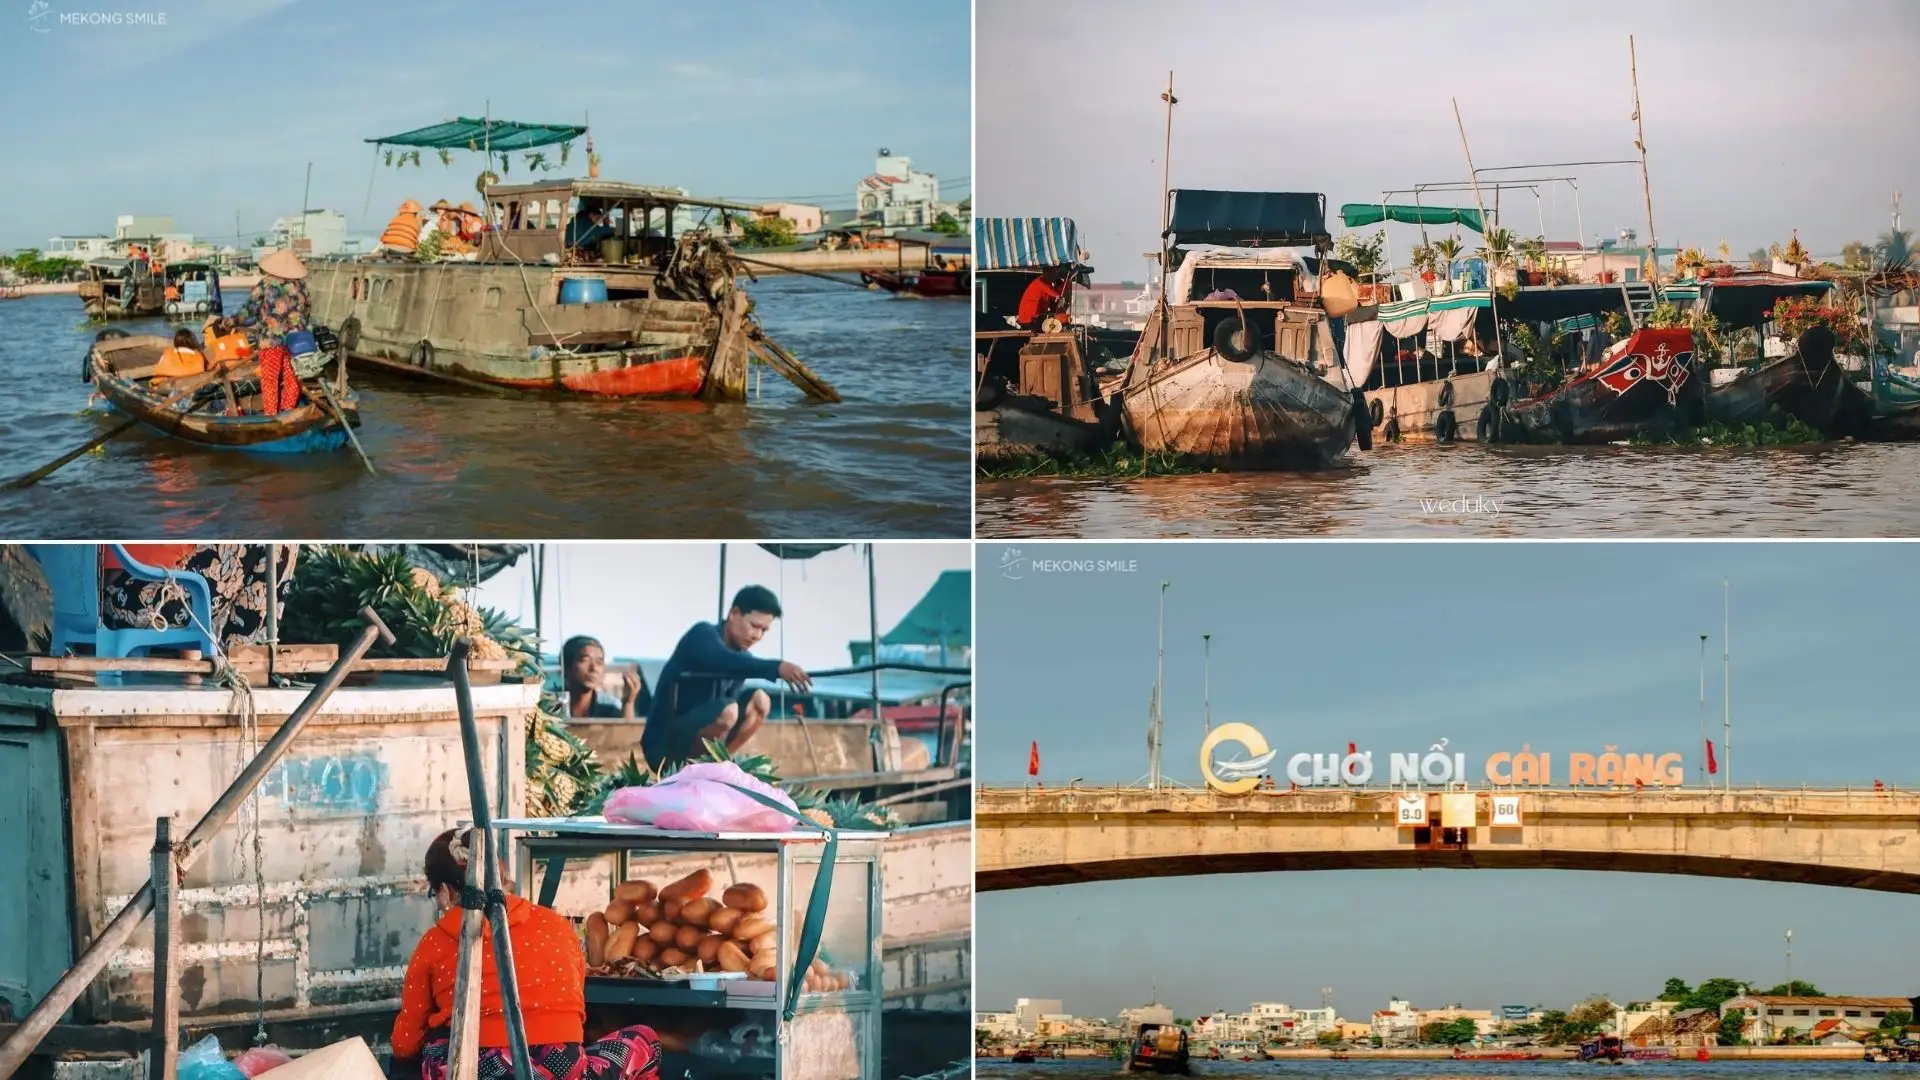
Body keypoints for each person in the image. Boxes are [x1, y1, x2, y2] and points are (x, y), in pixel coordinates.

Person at [390, 828, 662, 1080]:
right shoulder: (555, 925)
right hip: (560, 1067)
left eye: (434, 893)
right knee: (646, 1039)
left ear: (446, 891)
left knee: (428, 1051)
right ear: (502, 878)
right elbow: (575, 1007)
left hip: (471, 1071)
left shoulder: (435, 942)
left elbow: (405, 1043)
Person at [643, 585, 812, 772]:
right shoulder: (702, 635)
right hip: (664, 747)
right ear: (734, 613)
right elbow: (722, 660)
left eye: (764, 630)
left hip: (701, 739)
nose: (757, 636)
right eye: (754, 626)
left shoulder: (742, 657)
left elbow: (740, 664)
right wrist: (776, 667)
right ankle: (694, 771)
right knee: (729, 710)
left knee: (760, 701)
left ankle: (717, 766)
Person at [100, 544, 298, 648]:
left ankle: (241, 652)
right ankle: (244, 653)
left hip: (106, 601)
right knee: (280, 543)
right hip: (142, 601)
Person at [218, 248, 310, 415]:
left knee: (270, 380)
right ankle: (288, 411)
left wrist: (230, 322)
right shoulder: (301, 285)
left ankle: (272, 415)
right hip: (296, 341)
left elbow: (249, 311)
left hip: (271, 340)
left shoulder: (267, 283)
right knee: (292, 378)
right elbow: (307, 312)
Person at [562, 635, 647, 720]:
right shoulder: (550, 705)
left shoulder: (610, 706)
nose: (594, 668)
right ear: (566, 667)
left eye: (599, 662)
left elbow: (627, 732)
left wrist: (628, 703)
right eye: (585, 660)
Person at [1016, 266, 1069, 330]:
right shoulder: (1040, 282)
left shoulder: (1048, 285)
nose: (1056, 276)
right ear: (1047, 273)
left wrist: (1060, 310)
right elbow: (1056, 293)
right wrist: (1067, 282)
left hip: (1037, 317)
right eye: (1055, 273)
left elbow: (1053, 302)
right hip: (1030, 319)